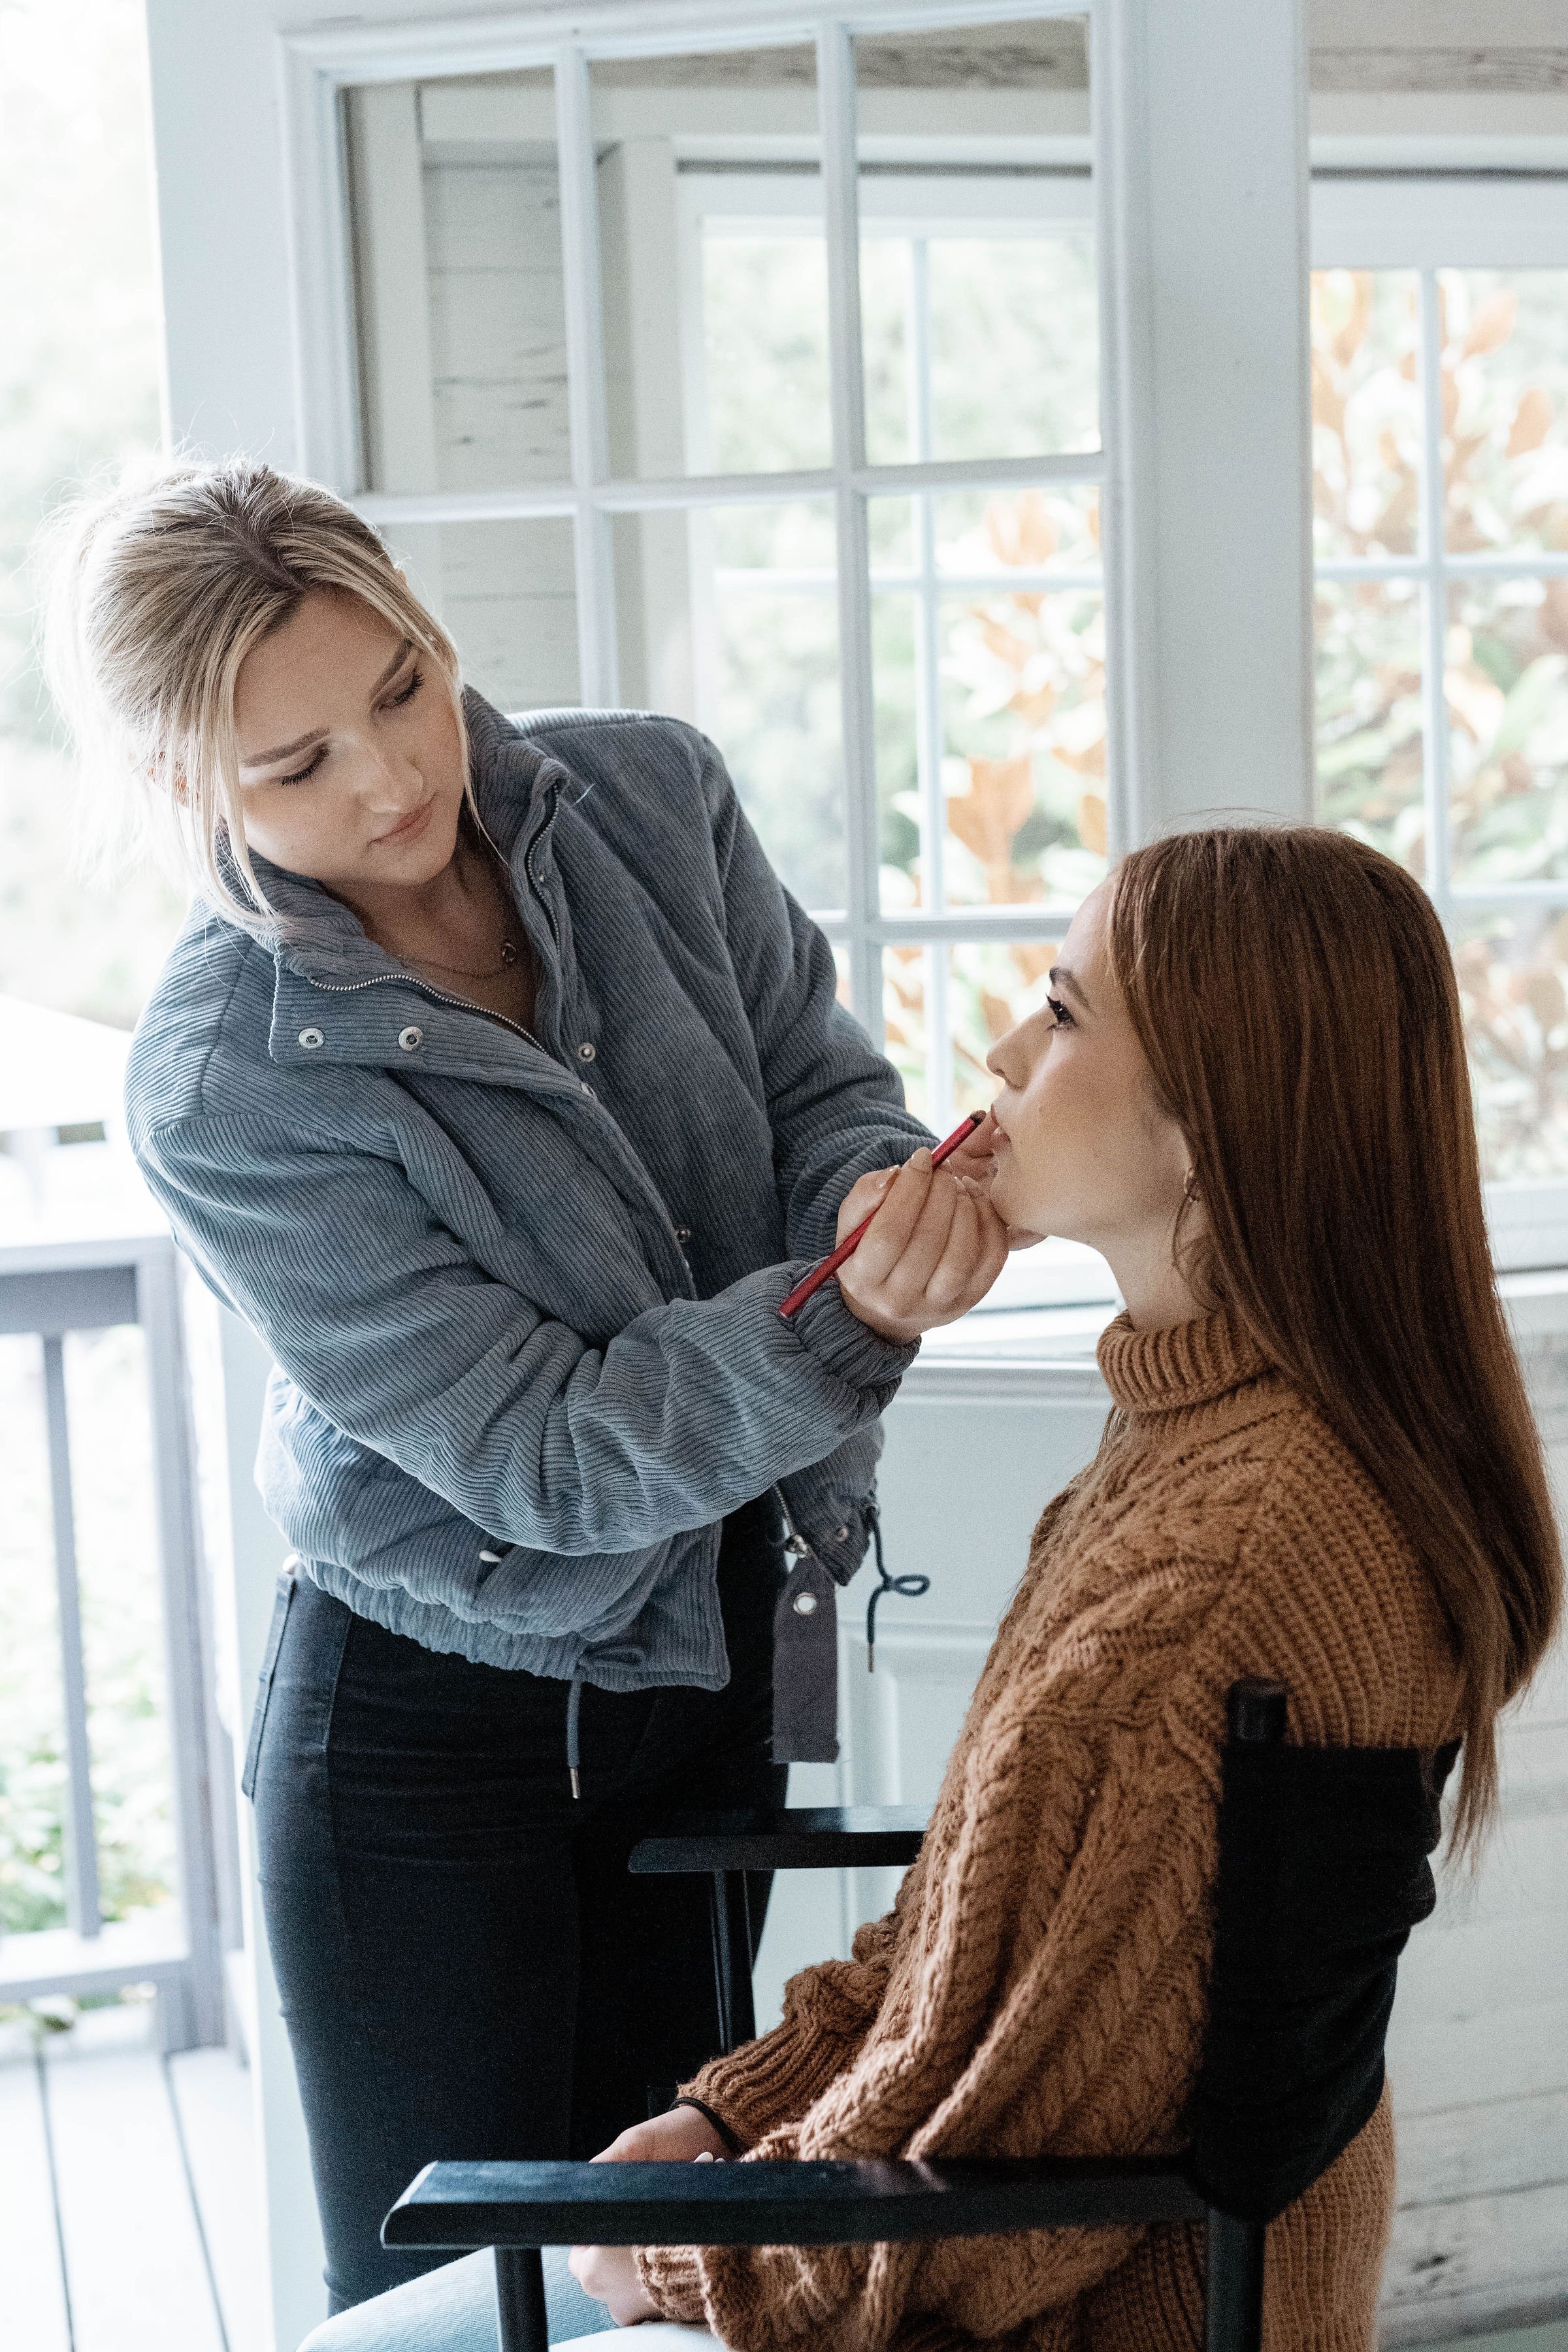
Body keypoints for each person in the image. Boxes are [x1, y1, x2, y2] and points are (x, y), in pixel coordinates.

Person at [308, 825, 1561, 2351]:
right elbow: (982, 1940)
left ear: (1211, 1123)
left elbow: (1015, 2160)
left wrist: (682, 2256)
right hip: (998, 2247)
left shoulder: (1224, 1566)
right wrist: (727, 2121)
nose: (1002, 1046)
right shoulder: (1215, 1433)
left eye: (1062, 1007)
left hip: (1073, 2311)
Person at [43, 457, 1010, 2317]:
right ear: (185, 790)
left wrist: (877, 1198)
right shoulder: (220, 1086)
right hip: (426, 1745)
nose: (394, 781)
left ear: (425, 619)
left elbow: (823, 1095)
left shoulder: (656, 794)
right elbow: (546, 1458)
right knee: (469, 2302)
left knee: (677, 2275)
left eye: (398, 688)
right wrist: (849, 1317)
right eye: (295, 766)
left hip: (707, 1651)